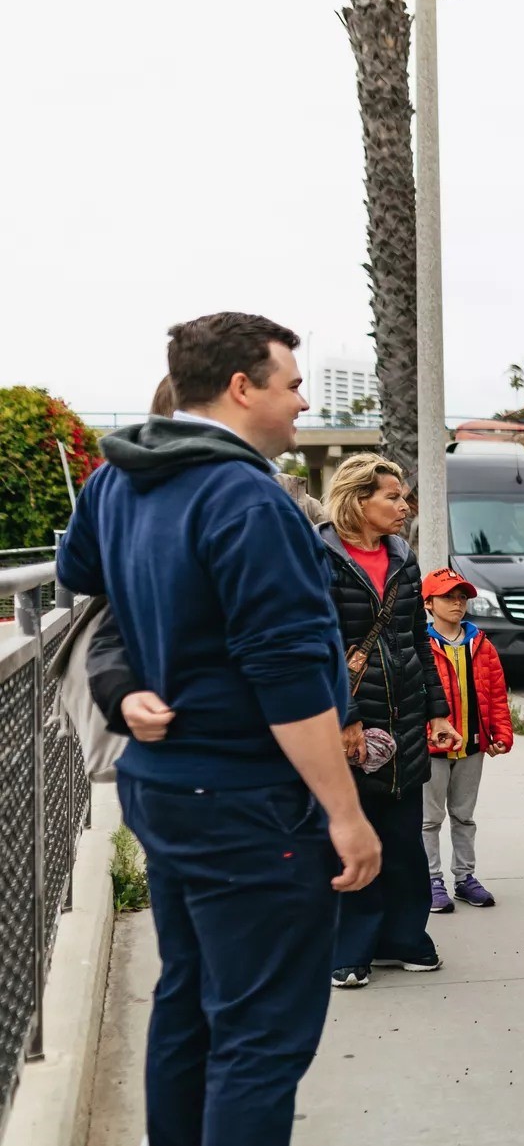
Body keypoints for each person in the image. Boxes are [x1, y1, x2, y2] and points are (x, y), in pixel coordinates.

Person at [57, 312, 381, 1146]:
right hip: (247, 800)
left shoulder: (114, 481)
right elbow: (287, 674)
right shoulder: (245, 497)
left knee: (190, 999)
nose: (303, 403)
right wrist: (345, 813)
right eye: (292, 383)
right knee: (260, 1035)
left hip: (164, 788)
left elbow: (93, 589)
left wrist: (127, 682)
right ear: (243, 387)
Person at [321, 454, 463, 987]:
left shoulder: (404, 560)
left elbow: (414, 644)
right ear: (358, 501)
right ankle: (350, 950)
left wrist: (437, 711)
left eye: (403, 497)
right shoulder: (320, 559)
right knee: (354, 841)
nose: (404, 506)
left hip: (404, 726)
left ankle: (405, 939)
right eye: (392, 497)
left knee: (404, 842)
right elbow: (320, 646)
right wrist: (347, 716)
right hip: (352, 724)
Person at [421, 566, 514, 913]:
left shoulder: (481, 644)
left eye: (462, 598)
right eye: (448, 597)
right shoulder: (421, 644)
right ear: (428, 602)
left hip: (472, 745)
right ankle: (431, 880)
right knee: (429, 819)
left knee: (464, 816)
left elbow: (496, 694)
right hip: (432, 748)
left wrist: (500, 733)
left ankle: (464, 878)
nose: (457, 604)